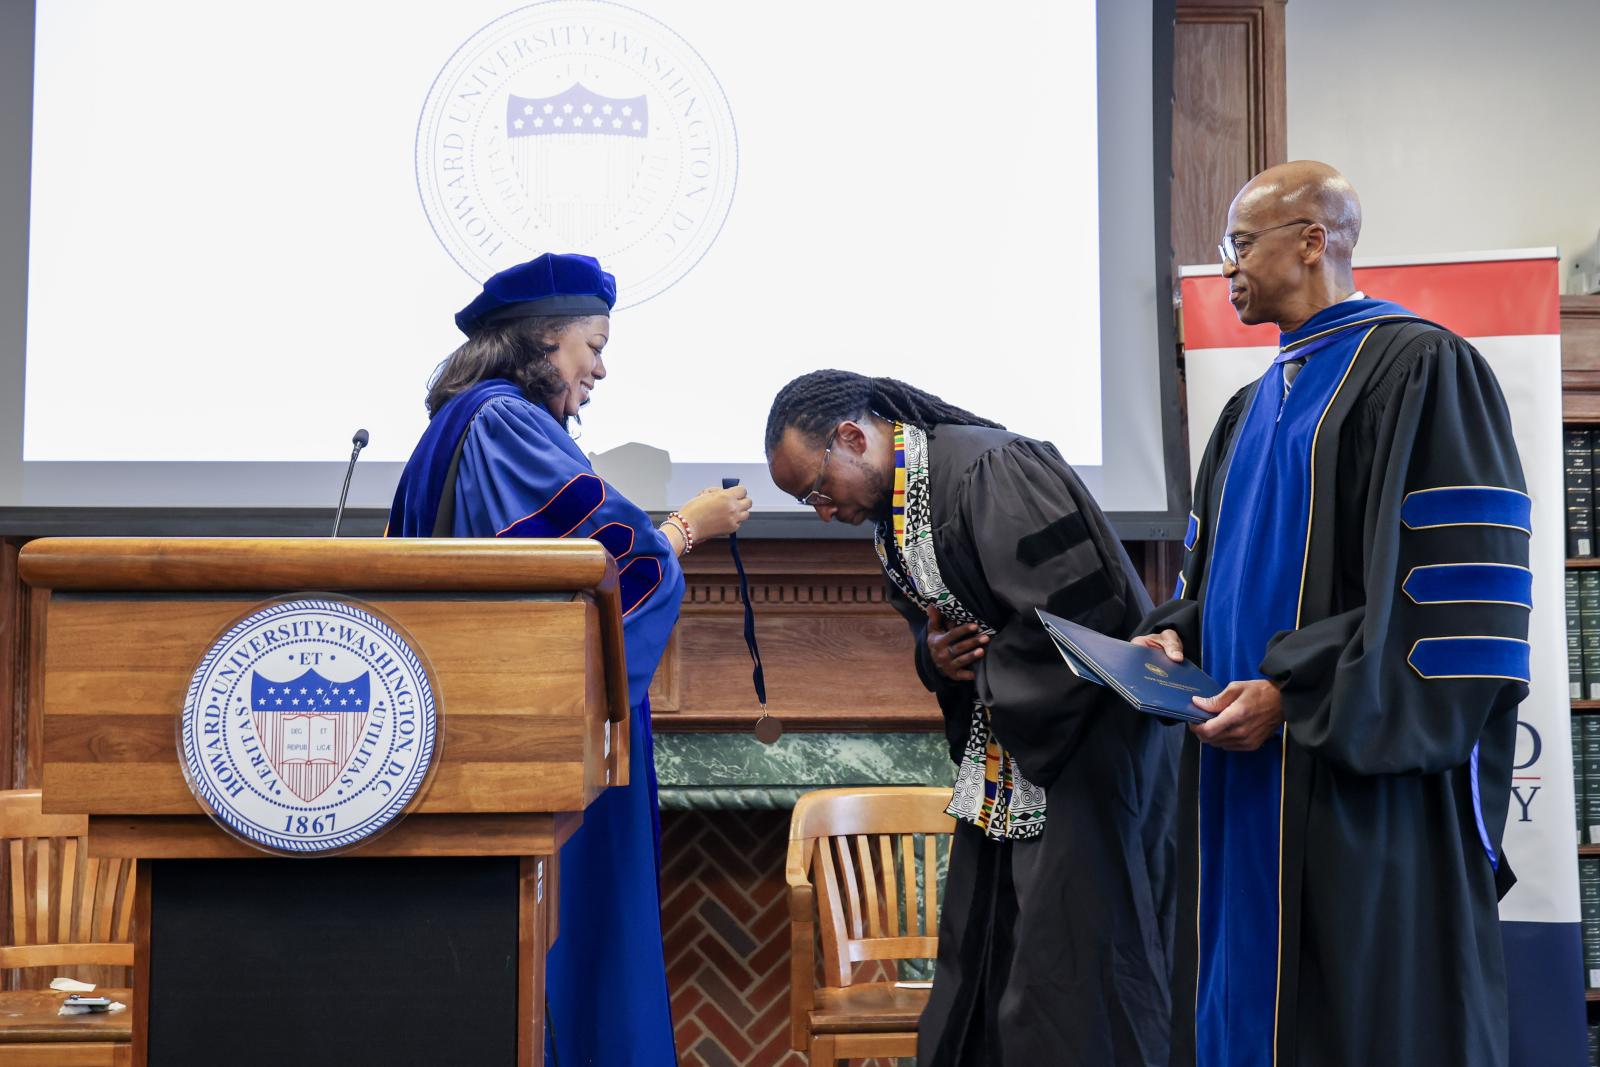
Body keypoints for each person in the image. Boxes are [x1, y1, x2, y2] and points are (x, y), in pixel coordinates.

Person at [1136, 161, 1528, 1067]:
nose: (1227, 268)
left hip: (1352, 783)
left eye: (1242, 244)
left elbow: (1451, 601)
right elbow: (1220, 579)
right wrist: (1174, 634)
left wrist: (1295, 694)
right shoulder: (1245, 410)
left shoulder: (1424, 369)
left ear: (1315, 240)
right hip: (1242, 783)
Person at [388, 252, 751, 1066]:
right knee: (568, 961)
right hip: (534, 740)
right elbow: (610, 566)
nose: (601, 367)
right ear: (541, 340)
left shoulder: (453, 426)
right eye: (592, 343)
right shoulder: (504, 422)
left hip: (477, 729)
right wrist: (687, 528)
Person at [765, 372, 1177, 1066]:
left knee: (1072, 973)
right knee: (986, 958)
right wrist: (936, 658)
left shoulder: (991, 470)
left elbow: (1085, 620)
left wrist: (987, 670)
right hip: (1009, 754)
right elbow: (946, 633)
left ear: (852, 437)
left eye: (815, 488)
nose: (820, 509)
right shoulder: (897, 515)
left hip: (1083, 751)